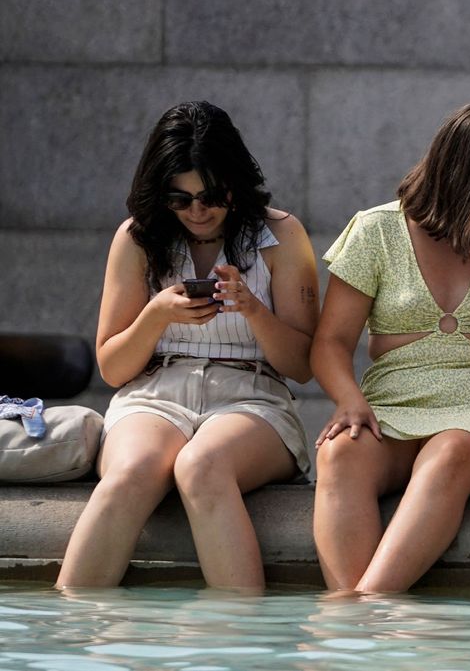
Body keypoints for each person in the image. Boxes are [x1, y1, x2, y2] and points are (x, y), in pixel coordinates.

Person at [57, 101, 319, 590]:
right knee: (130, 473)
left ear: (235, 184)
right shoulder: (137, 238)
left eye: (211, 196)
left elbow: (304, 365)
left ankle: (236, 645)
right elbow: (113, 368)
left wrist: (252, 309)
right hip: (154, 393)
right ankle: (76, 638)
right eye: (180, 199)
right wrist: (156, 314)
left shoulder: (282, 235)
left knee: (202, 466)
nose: (198, 211)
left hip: (254, 398)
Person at [312, 99, 470, 593]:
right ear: (467, 179)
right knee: (341, 453)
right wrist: (350, 399)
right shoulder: (376, 231)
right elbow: (330, 343)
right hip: (392, 404)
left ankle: (359, 614)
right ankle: (356, 618)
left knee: (449, 454)